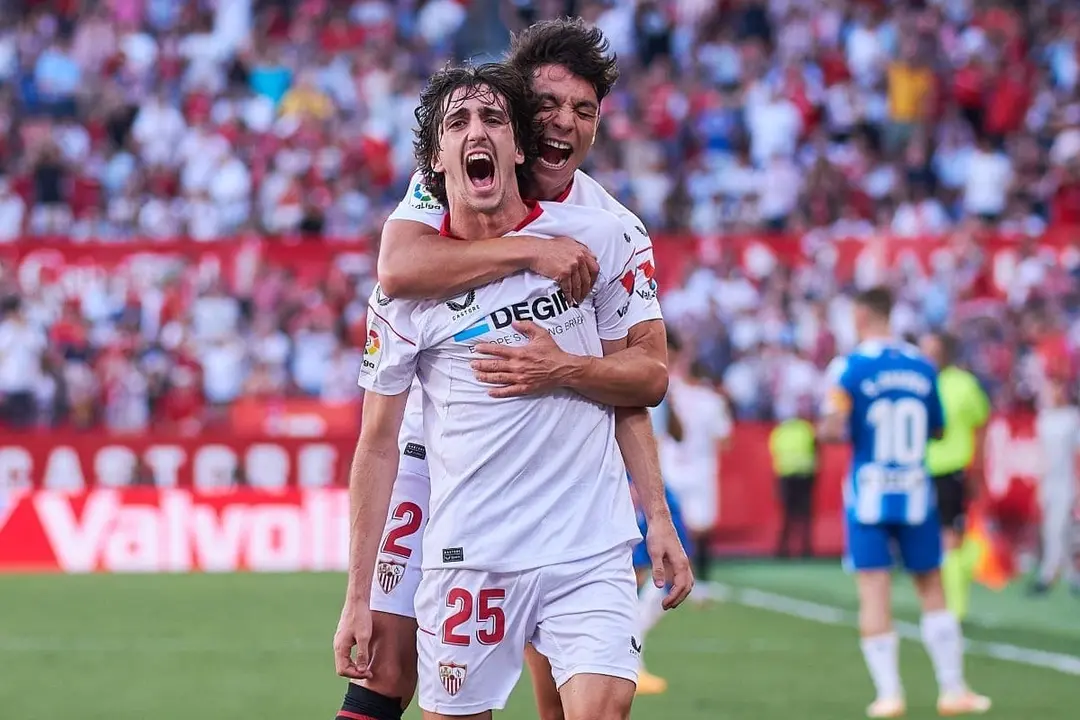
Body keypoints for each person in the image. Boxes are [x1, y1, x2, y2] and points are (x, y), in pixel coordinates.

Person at [341, 19, 689, 720]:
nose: (564, 123)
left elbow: (646, 378)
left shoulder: (610, 230)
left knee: (580, 701)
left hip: (569, 509)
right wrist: (531, 252)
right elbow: (398, 269)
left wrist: (656, 513)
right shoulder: (444, 173)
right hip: (432, 454)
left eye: (583, 111)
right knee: (385, 664)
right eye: (549, 105)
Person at [820, 287, 990, 719]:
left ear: (860, 314)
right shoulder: (922, 365)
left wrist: (835, 426)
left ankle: (889, 695)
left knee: (874, 591)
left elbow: (833, 426)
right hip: (916, 491)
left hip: (870, 493)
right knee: (931, 588)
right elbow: (936, 429)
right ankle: (952, 690)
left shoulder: (849, 367)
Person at [920, 332, 991, 620]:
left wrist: (978, 467)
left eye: (932, 350)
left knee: (951, 535)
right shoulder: (922, 382)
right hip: (922, 470)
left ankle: (955, 607)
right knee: (933, 537)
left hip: (953, 469)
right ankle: (941, 602)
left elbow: (981, 424)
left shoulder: (964, 384)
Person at [661, 338, 731, 591]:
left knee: (688, 525)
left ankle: (678, 578)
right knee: (694, 527)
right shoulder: (697, 397)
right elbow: (724, 440)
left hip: (680, 466)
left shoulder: (673, 391)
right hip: (692, 468)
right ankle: (693, 579)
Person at [1030, 376, 1080, 596]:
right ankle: (1073, 576)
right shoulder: (1044, 418)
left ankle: (1047, 575)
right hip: (1047, 481)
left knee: (1057, 528)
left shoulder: (1072, 418)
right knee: (1059, 530)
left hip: (1066, 481)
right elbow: (1039, 453)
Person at [769, 401, 818, 558]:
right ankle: (804, 548)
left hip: (786, 476)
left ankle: (784, 549)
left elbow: (775, 453)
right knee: (804, 515)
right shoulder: (806, 429)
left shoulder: (780, 431)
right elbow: (816, 450)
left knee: (787, 515)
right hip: (804, 475)